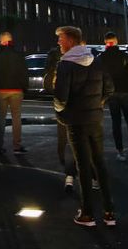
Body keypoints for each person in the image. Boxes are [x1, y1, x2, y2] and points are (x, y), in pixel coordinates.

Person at [53, 26, 115, 227]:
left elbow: (61, 97)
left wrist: (60, 112)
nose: (58, 42)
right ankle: (109, 211)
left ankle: (87, 213)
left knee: (83, 166)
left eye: (61, 38)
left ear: (71, 40)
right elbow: (109, 88)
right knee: (99, 162)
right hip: (95, 119)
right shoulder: (96, 62)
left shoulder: (65, 65)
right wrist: (98, 104)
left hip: (76, 121)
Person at [97, 32, 128, 160]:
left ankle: (120, 151)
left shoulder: (102, 57)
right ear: (116, 41)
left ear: (105, 42)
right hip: (126, 92)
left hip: (112, 94)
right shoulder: (124, 56)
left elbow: (99, 77)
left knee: (116, 122)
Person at [44, 42, 76, 189]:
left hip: (61, 100)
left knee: (63, 130)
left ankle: (64, 158)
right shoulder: (76, 58)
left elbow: (48, 83)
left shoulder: (54, 60)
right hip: (74, 101)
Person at [0, 31, 27, 155]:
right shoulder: (18, 55)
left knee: (1, 119)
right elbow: (24, 73)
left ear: (2, 41)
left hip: (1, 90)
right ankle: (17, 145)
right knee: (16, 118)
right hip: (16, 90)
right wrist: (24, 88)